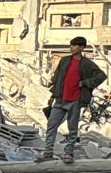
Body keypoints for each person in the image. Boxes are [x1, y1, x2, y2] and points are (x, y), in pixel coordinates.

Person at [37, 36, 106, 164]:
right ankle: (48, 152)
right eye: (71, 45)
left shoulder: (87, 64)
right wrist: (52, 96)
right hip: (60, 98)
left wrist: (85, 83)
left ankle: (68, 152)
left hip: (75, 100)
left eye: (74, 46)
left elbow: (102, 76)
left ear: (81, 48)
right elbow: (56, 79)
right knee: (51, 125)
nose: (71, 48)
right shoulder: (64, 61)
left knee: (72, 128)